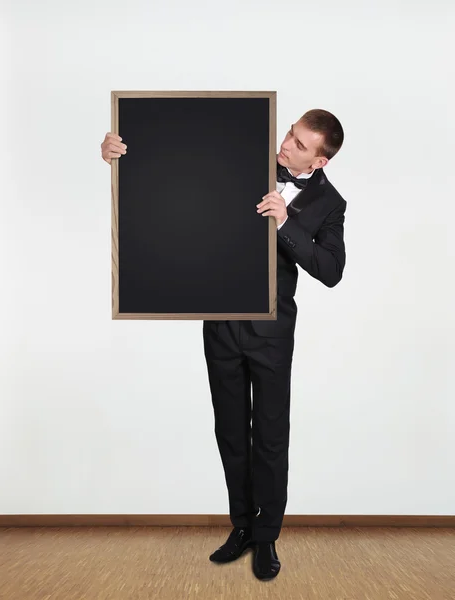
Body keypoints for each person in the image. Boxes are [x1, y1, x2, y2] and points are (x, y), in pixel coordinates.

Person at [100, 108, 346, 581]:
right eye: (290, 133)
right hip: (221, 322)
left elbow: (331, 271)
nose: (285, 144)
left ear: (318, 162)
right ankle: (242, 527)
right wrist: (119, 156)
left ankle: (267, 537)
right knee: (231, 432)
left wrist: (284, 224)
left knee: (270, 438)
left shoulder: (330, 203)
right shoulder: (249, 161)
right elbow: (184, 166)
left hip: (272, 334)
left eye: (298, 145)